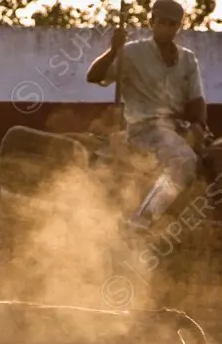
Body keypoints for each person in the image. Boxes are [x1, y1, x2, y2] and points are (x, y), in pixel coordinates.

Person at [86, 0, 210, 229]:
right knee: (184, 160)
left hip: (176, 129)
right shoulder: (131, 52)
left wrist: (199, 125)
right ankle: (141, 219)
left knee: (212, 158)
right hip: (144, 128)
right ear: (151, 22)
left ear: (178, 27)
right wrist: (114, 50)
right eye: (161, 22)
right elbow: (93, 76)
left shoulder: (188, 59)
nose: (166, 28)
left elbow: (196, 99)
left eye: (172, 24)